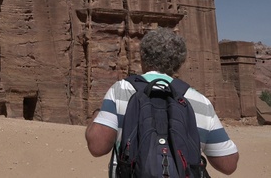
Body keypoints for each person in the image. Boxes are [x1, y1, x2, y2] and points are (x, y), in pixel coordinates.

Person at [85, 27, 239, 175]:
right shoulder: (200, 101)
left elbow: (97, 147)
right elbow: (228, 164)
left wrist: (96, 116)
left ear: (143, 57)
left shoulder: (121, 90)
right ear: (179, 63)